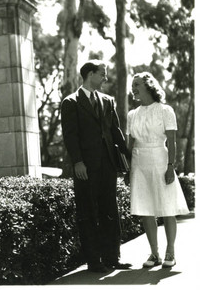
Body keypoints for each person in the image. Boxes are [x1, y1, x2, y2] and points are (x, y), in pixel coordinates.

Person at [61, 60, 132, 273]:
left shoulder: (108, 101)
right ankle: (94, 261)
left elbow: (115, 132)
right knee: (88, 211)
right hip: (85, 167)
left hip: (108, 165)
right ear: (90, 74)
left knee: (110, 210)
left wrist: (128, 160)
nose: (105, 78)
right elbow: (70, 136)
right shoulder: (71, 102)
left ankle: (113, 257)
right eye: (102, 73)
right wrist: (78, 162)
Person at [127, 72, 189, 268]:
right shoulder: (132, 114)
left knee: (167, 208)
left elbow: (171, 142)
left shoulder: (165, 110)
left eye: (137, 84)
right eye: (132, 85)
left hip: (161, 161)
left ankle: (170, 251)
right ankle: (154, 253)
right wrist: (128, 170)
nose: (133, 88)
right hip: (139, 162)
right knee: (146, 210)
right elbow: (130, 144)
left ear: (148, 86)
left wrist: (171, 166)